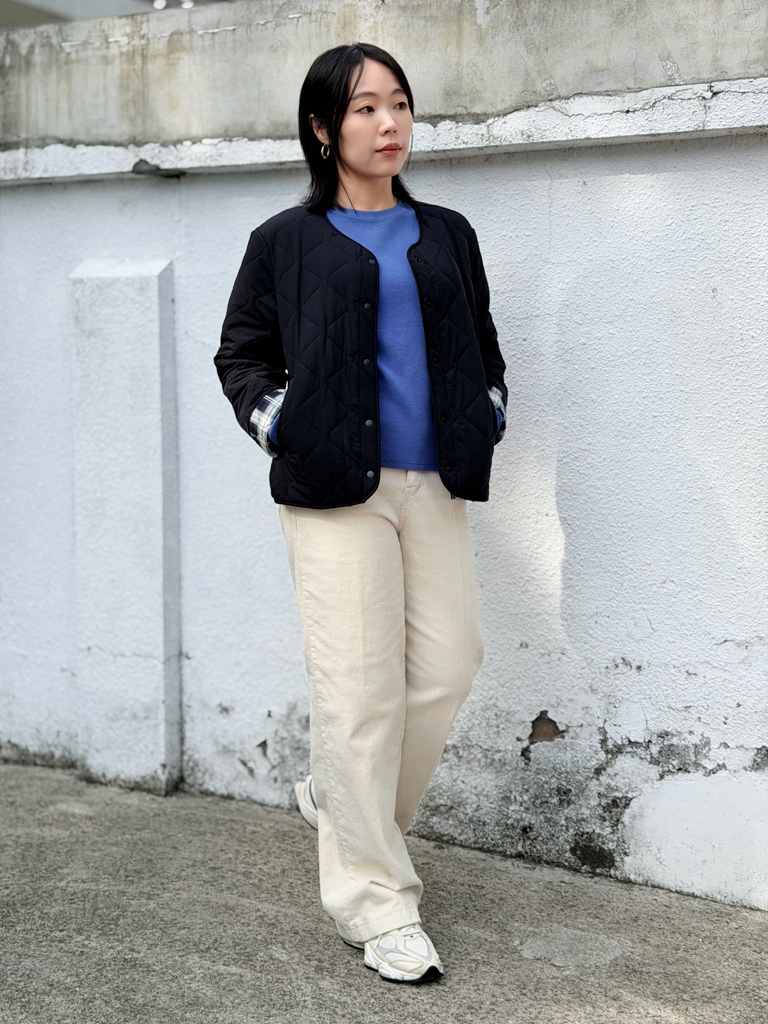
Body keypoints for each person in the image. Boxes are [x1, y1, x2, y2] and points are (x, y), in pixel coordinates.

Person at [215, 42, 506, 983]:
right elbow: (241, 354)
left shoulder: (448, 232)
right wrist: (282, 425)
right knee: (359, 693)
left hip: (435, 482)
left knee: (450, 664)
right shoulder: (284, 242)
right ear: (322, 128)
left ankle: (341, 808)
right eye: (365, 108)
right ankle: (376, 905)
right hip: (335, 490)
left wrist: (489, 411)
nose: (389, 124)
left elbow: (484, 347)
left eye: (400, 105)